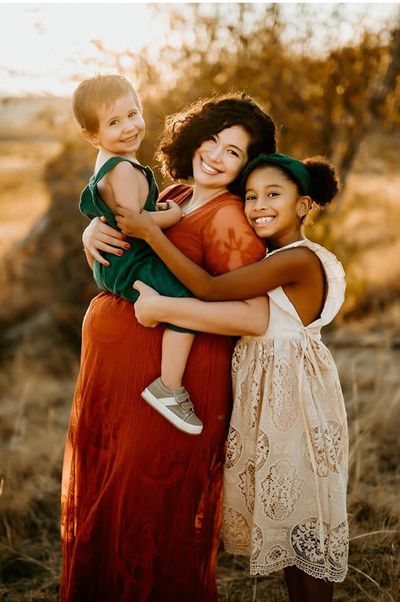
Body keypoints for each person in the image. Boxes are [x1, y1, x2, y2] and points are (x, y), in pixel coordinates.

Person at [61, 92, 277, 601]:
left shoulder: (227, 219)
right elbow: (128, 232)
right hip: (120, 382)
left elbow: (252, 316)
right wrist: (93, 231)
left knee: (149, 513)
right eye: (212, 139)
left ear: (249, 167)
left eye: (234, 152)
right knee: (111, 500)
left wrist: (165, 311)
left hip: (174, 387)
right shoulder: (177, 196)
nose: (216, 155)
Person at [114, 153, 349, 602]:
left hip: (292, 396)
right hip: (273, 390)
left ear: (303, 205)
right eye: (252, 196)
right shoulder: (276, 255)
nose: (259, 204)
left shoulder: (296, 260)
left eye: (274, 195)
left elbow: (209, 289)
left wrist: (150, 232)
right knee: (288, 521)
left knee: (303, 520)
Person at [72, 73, 202, 434]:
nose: (129, 127)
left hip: (116, 261)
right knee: (184, 301)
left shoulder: (109, 162)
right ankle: (169, 387)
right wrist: (173, 213)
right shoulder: (125, 170)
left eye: (133, 114)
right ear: (92, 136)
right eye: (114, 122)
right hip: (129, 261)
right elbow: (135, 223)